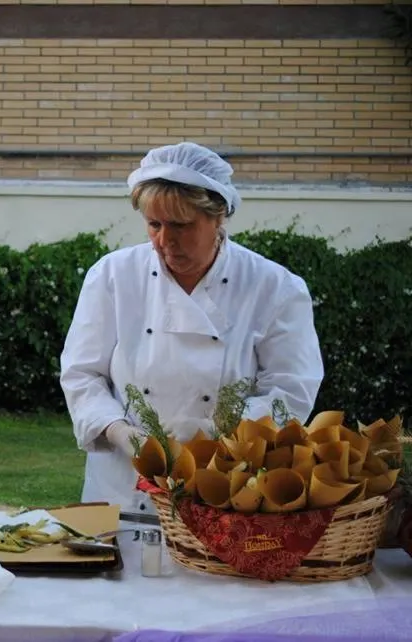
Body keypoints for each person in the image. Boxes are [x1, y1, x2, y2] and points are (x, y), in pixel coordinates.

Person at [59, 141, 324, 514]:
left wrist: (213, 435)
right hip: (120, 488)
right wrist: (121, 434)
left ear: (219, 218)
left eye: (181, 226)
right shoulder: (113, 276)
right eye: (154, 224)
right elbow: (82, 374)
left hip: (226, 486)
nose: (164, 241)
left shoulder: (274, 288)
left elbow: (290, 392)